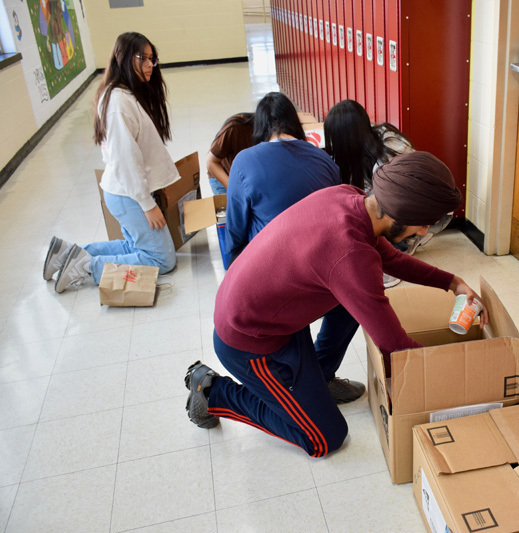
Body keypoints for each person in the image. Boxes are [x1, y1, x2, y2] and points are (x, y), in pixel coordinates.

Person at [184, 152, 484, 458]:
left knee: (357, 298)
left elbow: (387, 257)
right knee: (325, 439)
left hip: (276, 315)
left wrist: (452, 282)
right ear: (398, 213)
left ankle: (321, 378)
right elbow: (395, 346)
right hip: (251, 343)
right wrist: (466, 368)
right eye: (423, 225)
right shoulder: (349, 255)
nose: (423, 232)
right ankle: (211, 392)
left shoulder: (350, 198)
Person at [43, 32, 178, 293]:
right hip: (129, 195)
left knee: (134, 248)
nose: (150, 65)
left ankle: (67, 254)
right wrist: (147, 205)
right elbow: (126, 160)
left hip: (125, 192)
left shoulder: (121, 94)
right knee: (163, 259)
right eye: (143, 58)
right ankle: (86, 267)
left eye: (153, 59)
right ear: (123, 58)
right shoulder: (118, 102)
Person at [324, 100, 453, 287]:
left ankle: (409, 240)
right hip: (421, 210)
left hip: (432, 214)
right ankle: (414, 235)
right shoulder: (376, 141)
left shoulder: (385, 160)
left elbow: (393, 210)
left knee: (378, 219)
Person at [225, 92, 340, 259]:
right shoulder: (324, 159)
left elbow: (235, 229)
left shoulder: (244, 161)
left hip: (270, 261)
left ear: (260, 127)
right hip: (320, 258)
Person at [206, 112, 254, 195]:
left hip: (247, 179)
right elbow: (211, 162)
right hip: (223, 176)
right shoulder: (236, 127)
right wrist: (235, 191)